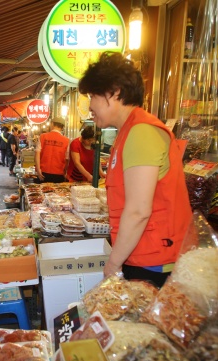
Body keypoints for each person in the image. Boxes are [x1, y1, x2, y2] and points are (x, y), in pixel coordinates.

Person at [79, 52, 192, 288]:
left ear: (115, 92)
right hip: (143, 252)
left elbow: (139, 210)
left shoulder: (141, 131)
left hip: (155, 258)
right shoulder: (128, 131)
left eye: (92, 96)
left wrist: (113, 262)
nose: (90, 106)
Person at [35, 117, 70, 183]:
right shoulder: (66, 141)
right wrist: (65, 172)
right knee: (57, 193)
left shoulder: (42, 136)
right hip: (58, 173)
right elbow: (67, 159)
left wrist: (38, 169)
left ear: (52, 124)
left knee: (41, 192)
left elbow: (37, 153)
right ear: (62, 127)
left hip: (43, 172)